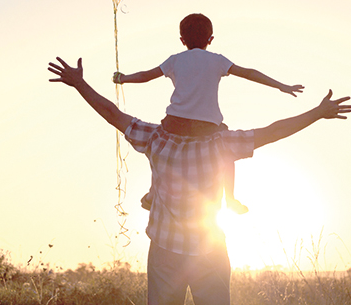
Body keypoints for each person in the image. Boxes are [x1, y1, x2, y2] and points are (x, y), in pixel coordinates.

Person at [48, 56, 351, 305]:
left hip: (166, 250)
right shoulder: (221, 145)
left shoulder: (156, 139)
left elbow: (112, 113)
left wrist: (79, 84)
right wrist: (317, 112)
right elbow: (272, 131)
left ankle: (151, 195)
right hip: (210, 249)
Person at [113, 13, 304, 214]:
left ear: (182, 40)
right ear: (211, 39)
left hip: (174, 123)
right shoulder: (218, 60)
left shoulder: (174, 60)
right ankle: (229, 198)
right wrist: (280, 86)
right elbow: (249, 72)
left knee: (159, 146)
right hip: (207, 128)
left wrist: (123, 78)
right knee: (228, 152)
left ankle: (153, 193)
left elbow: (145, 76)